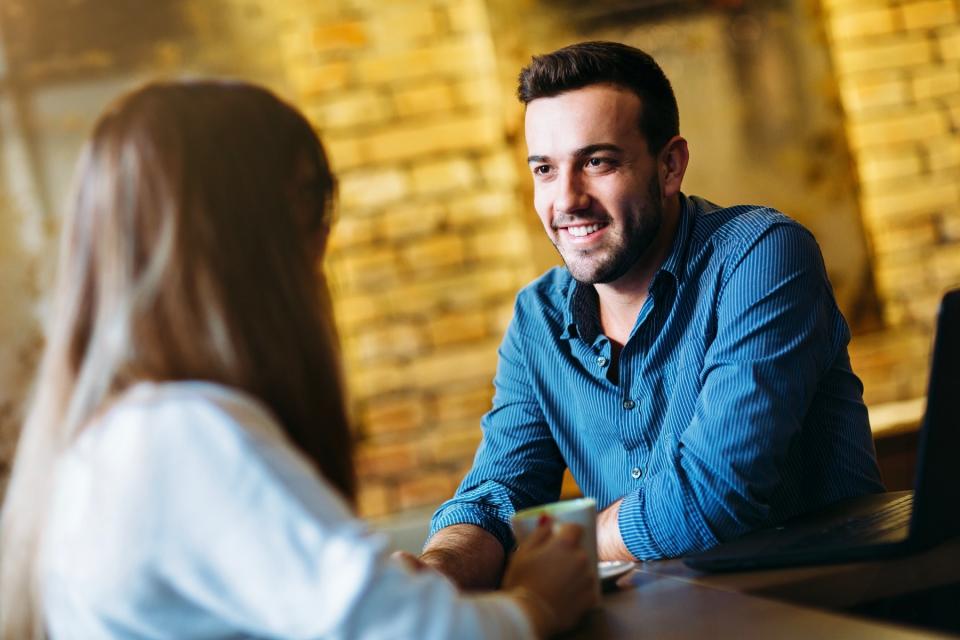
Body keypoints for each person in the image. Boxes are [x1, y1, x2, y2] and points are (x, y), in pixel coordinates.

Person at [0, 80, 598, 639]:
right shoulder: (184, 432)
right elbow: (397, 630)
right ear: (253, 238)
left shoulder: (108, 437)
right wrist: (533, 604)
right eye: (312, 226)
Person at [420, 41, 885, 588]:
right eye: (545, 169)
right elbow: (498, 496)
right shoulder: (537, 317)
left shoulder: (762, 255)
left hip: (826, 609)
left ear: (670, 166)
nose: (566, 199)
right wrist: (434, 575)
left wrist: (561, 546)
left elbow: (716, 492)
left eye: (597, 162)